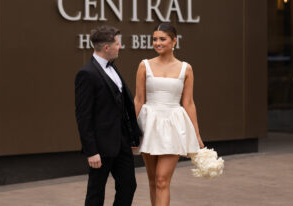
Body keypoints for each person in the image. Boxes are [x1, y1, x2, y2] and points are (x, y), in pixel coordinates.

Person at [134, 23, 204, 206]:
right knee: (152, 180)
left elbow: (188, 102)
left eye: (162, 39)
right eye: (155, 39)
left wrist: (196, 134)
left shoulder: (186, 68)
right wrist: (131, 130)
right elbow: (138, 100)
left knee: (162, 179)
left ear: (174, 41)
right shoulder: (144, 66)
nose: (157, 43)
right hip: (149, 124)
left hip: (174, 125)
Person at [75, 25, 142, 206]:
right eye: (118, 44)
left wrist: (133, 136)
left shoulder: (113, 68)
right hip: (100, 147)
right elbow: (83, 116)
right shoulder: (86, 74)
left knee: (129, 185)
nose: (120, 47)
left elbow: (124, 105)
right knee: (96, 192)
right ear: (107, 48)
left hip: (122, 142)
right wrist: (91, 151)